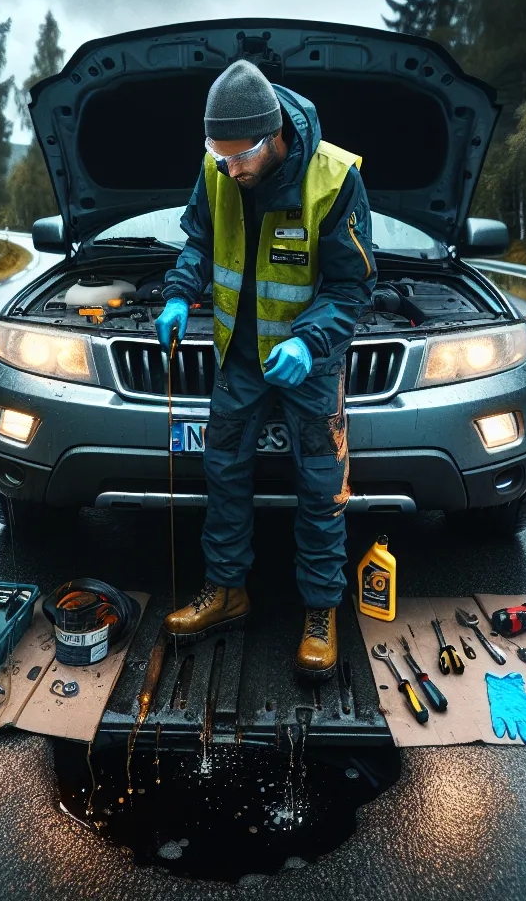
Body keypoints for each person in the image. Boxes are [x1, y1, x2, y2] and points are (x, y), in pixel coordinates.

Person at [153, 59, 376, 679]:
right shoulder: (218, 167)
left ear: (274, 135)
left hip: (309, 361)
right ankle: (227, 590)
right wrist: (178, 292)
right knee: (223, 474)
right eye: (218, 155)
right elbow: (199, 239)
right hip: (239, 359)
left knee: (320, 489)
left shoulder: (333, 179)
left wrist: (307, 343)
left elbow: (352, 288)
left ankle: (320, 613)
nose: (230, 169)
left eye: (240, 156)